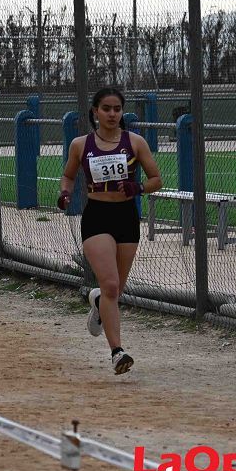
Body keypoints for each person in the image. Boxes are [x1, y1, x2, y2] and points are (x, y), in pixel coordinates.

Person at [58, 87, 162, 374]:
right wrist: (65, 193)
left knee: (114, 290)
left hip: (126, 216)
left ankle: (97, 302)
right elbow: (68, 175)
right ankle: (117, 352)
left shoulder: (135, 142)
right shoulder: (81, 144)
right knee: (112, 286)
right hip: (97, 216)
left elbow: (156, 179)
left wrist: (137, 187)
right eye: (106, 108)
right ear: (95, 112)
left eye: (117, 109)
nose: (112, 114)